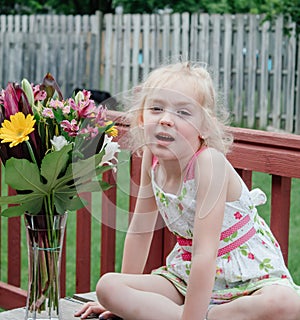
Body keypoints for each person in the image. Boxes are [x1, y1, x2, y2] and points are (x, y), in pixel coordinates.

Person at [75, 61, 300, 320]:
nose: (166, 120)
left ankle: (198, 316)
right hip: (187, 274)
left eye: (183, 112)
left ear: (205, 126)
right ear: (141, 119)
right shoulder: (152, 156)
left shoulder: (209, 163)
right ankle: (199, 315)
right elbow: (140, 231)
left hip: (247, 276)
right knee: (109, 287)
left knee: (286, 303)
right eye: (156, 109)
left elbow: (206, 252)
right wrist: (120, 303)